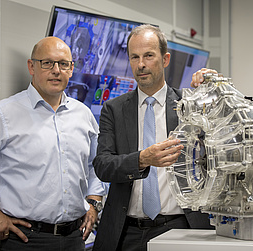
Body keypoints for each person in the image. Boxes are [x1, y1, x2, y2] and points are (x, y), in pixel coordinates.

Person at [0, 36, 105, 251]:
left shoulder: (82, 114)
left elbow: (96, 163)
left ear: (71, 68)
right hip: (25, 240)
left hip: (74, 239)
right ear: (32, 66)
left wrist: (93, 202)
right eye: (47, 63)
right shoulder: (4, 114)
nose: (56, 70)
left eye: (63, 64)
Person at [92, 24, 217, 251]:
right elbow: (102, 166)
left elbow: (222, 144)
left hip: (180, 228)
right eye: (135, 57)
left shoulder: (188, 105)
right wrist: (142, 159)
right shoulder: (114, 109)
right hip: (126, 231)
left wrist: (212, 91)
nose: (141, 64)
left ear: (165, 59)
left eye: (149, 55)